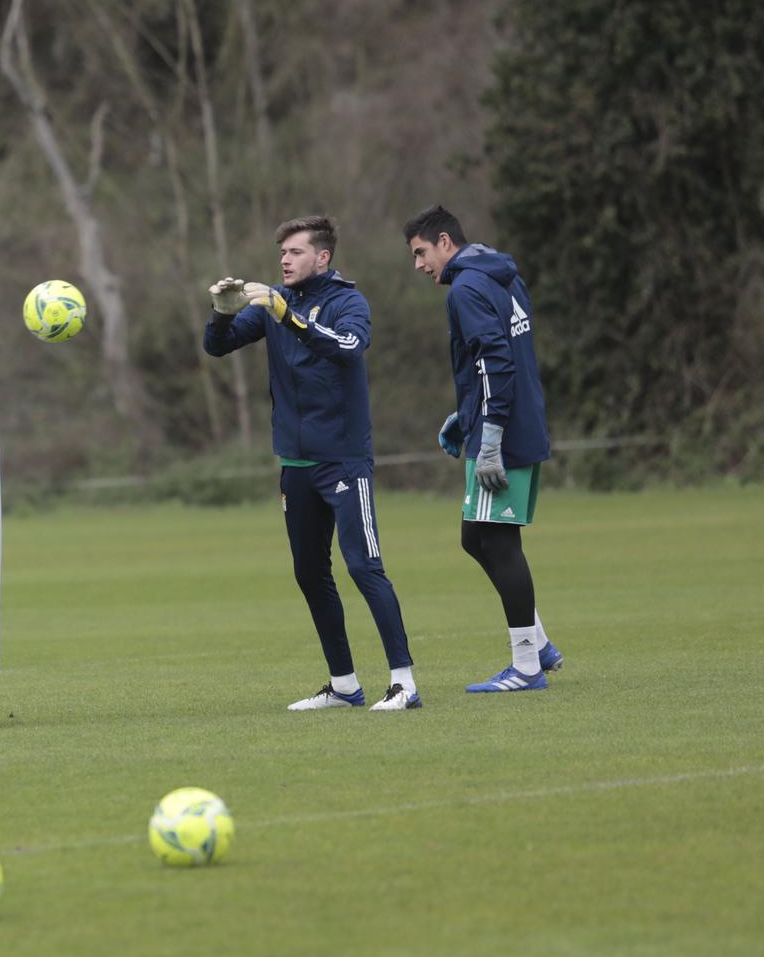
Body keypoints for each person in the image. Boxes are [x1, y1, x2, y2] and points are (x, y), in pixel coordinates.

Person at [203, 215, 420, 712]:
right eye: (281, 252)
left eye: (295, 251)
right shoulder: (273, 304)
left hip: (343, 461)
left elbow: (349, 347)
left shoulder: (348, 302)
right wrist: (220, 313)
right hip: (295, 464)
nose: (284, 259)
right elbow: (216, 347)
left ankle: (404, 683)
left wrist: (288, 316)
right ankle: (344, 686)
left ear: (322, 257)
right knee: (309, 573)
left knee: (364, 568)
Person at [403, 205, 564, 692]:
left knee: (497, 541)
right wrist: (468, 416)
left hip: (506, 434)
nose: (418, 264)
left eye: (420, 252)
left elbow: (497, 361)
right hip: (512, 422)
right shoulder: (501, 276)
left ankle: (528, 668)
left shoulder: (467, 289)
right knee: (475, 538)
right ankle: (538, 644)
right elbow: (504, 357)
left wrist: (489, 436)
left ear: (445, 243)